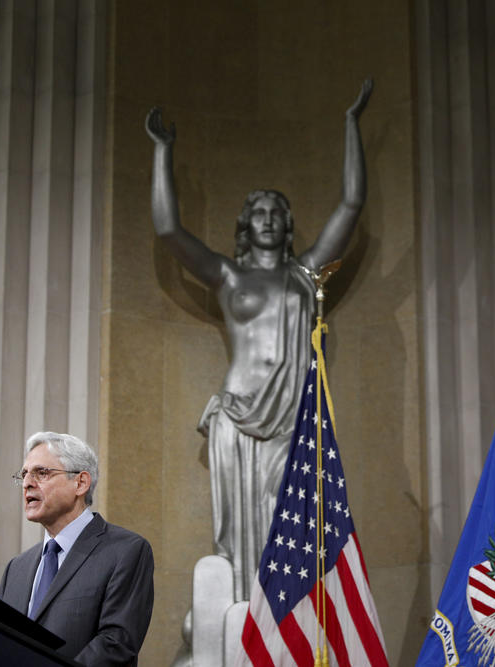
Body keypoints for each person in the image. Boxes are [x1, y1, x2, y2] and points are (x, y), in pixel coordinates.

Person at [144, 79, 372, 601]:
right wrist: (163, 152)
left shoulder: (306, 272)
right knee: (234, 536)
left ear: (288, 224)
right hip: (237, 415)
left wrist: (350, 124)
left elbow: (352, 204)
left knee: (285, 519)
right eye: (259, 211)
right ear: (245, 224)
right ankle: (242, 620)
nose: (268, 219)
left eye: (276, 211)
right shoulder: (227, 277)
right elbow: (168, 231)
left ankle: (283, 622)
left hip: (291, 411)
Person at [0, 432, 155, 666]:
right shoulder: (16, 569)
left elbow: (116, 643)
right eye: (24, 475)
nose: (28, 483)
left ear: (80, 483)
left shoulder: (125, 551)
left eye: (41, 473)